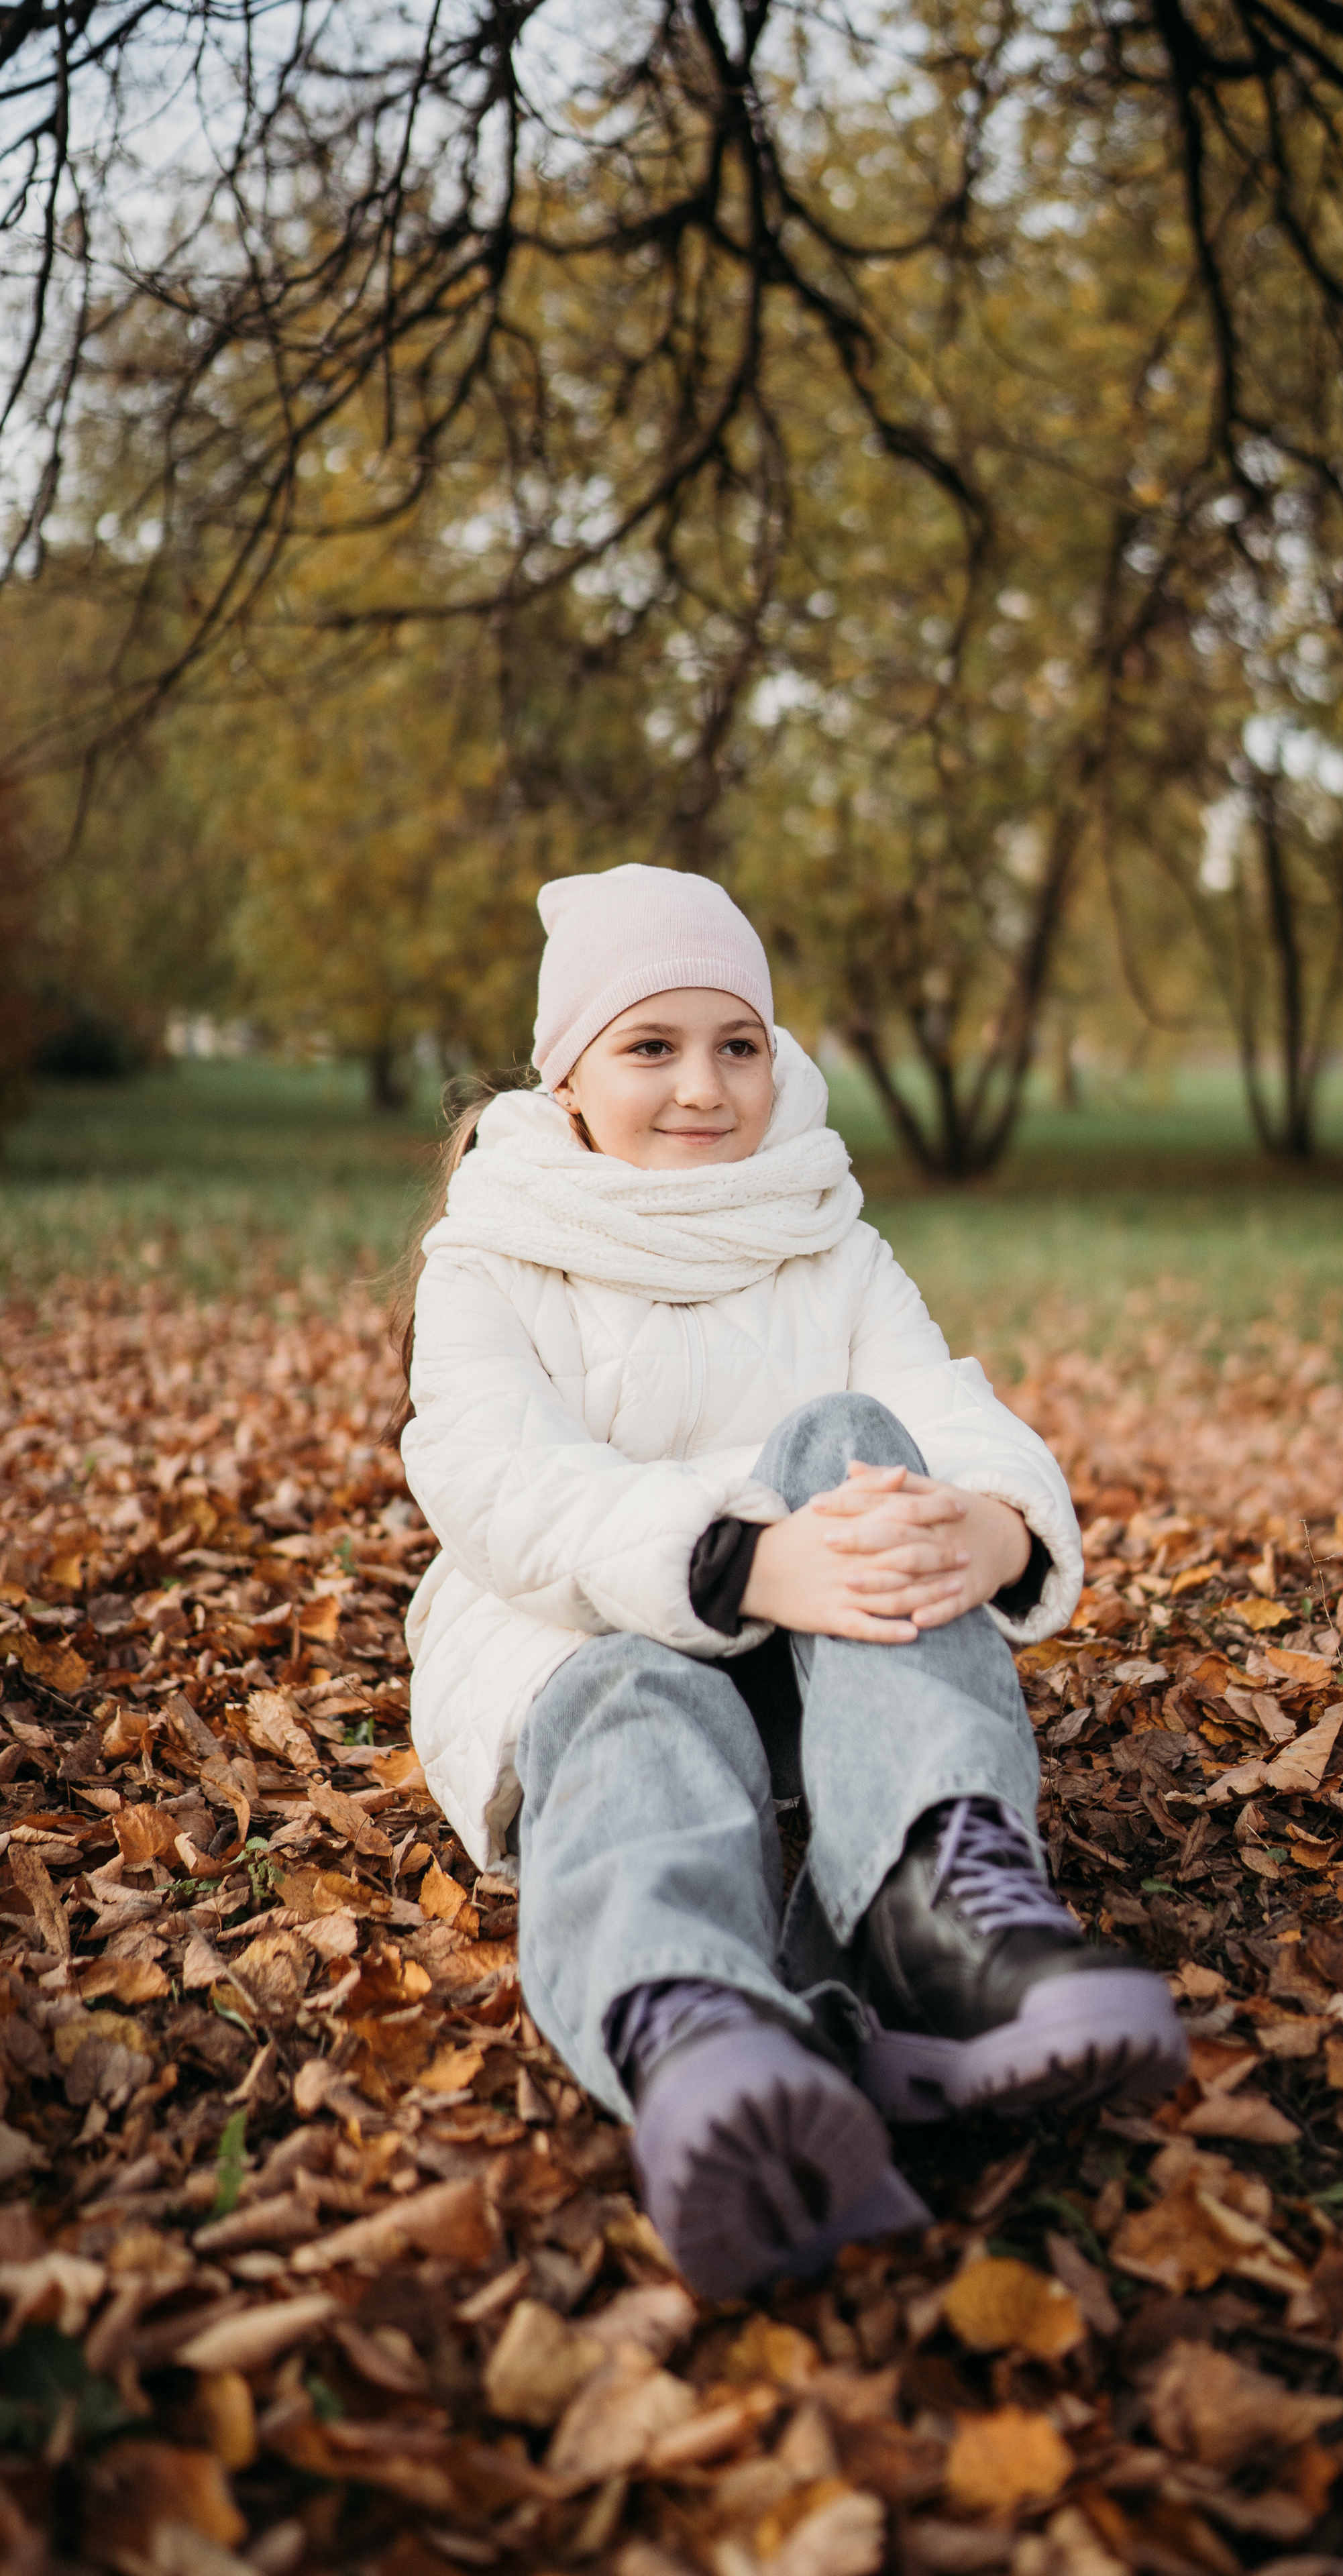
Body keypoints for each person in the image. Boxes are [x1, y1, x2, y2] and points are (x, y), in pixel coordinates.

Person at [397, 865, 1186, 2296]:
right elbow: (498, 1484)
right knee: (638, 1700)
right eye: (651, 1046)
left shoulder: (825, 1235)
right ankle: (694, 2028)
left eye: (737, 1044)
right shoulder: (493, 1260)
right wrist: (747, 1559)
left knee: (860, 1444)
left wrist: (995, 1527)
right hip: (577, 1648)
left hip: (844, 1688)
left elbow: (942, 1408)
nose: (703, 1087)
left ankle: (943, 1910)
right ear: (567, 1076)